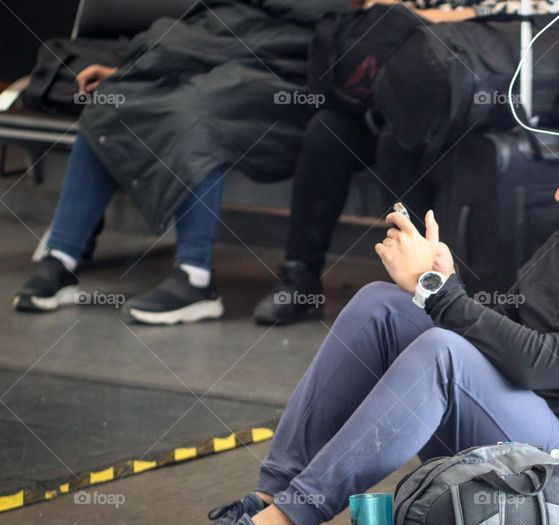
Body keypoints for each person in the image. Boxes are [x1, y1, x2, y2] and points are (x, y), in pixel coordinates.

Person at [138, 100, 559, 525]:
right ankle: (271, 507)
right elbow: (509, 330)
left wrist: (440, 296)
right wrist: (441, 281)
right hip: (521, 434)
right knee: (381, 304)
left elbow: (540, 361)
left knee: (442, 351)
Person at [13, 0, 348, 324]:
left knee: (195, 114)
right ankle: (61, 257)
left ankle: (195, 277)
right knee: (114, 98)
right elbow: (207, 34)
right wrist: (133, 68)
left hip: (285, 75)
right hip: (223, 60)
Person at [253, 0, 559, 324]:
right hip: (402, 90)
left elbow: (549, 19)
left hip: (479, 98)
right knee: (327, 132)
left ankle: (419, 284)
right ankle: (300, 278)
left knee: (399, 139)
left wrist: (437, 20)